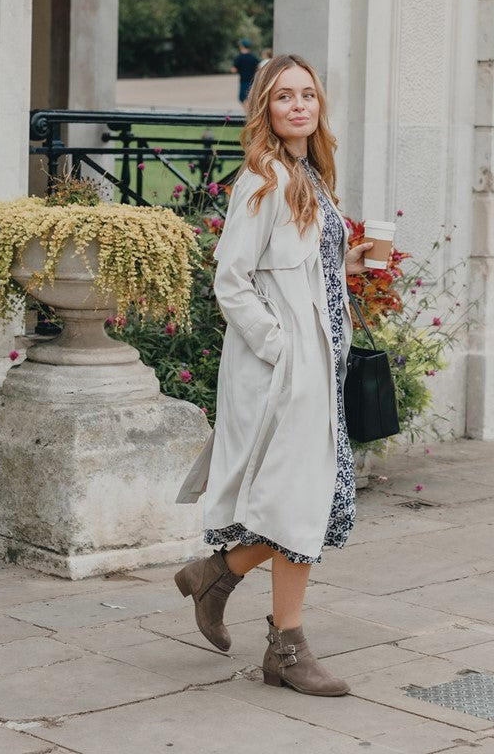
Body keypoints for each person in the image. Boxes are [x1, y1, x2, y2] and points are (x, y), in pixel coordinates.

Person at [175, 53, 375, 697]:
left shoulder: (307, 176)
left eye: (308, 95)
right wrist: (280, 346)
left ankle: (217, 577)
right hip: (284, 372)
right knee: (300, 506)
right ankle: (283, 646)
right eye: (285, 96)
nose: (299, 105)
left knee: (305, 503)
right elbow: (230, 280)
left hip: (319, 367)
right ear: (265, 107)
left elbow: (294, 271)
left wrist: (346, 263)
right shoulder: (260, 181)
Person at [230, 39, 259, 107]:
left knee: (243, 98)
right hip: (252, 80)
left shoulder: (239, 57)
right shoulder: (253, 57)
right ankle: (249, 113)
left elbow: (233, 69)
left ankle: (248, 114)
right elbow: (258, 68)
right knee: (250, 97)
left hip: (244, 80)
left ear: (242, 46)